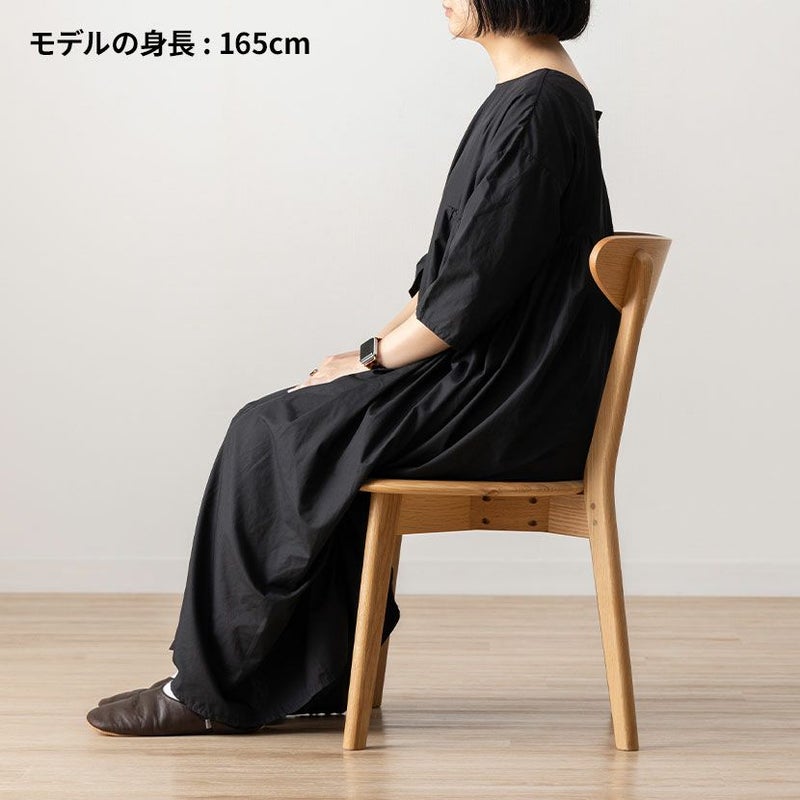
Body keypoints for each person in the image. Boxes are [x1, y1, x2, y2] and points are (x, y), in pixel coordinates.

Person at [86, 0, 620, 736]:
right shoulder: (535, 97)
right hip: (505, 381)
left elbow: (466, 296)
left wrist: (370, 361)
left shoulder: (536, 109)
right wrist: (365, 352)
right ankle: (306, 679)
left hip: (503, 396)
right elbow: (447, 277)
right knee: (299, 422)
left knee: (271, 431)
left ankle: (209, 691)